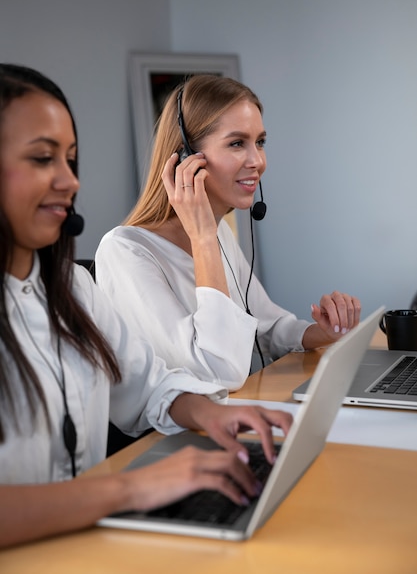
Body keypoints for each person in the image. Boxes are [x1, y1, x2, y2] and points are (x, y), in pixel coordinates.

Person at [0, 64, 293, 548]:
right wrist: (131, 488)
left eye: (71, 160)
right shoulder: (128, 249)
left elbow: (148, 384)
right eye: (42, 159)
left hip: (89, 543)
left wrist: (213, 415)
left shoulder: (72, 288)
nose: (69, 181)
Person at [95, 74, 361, 390]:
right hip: (171, 435)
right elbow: (217, 373)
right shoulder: (126, 251)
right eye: (237, 143)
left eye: (260, 142)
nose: (257, 161)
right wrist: (203, 238)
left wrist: (323, 332)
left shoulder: (218, 233)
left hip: (231, 417)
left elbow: (265, 325)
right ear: (185, 159)